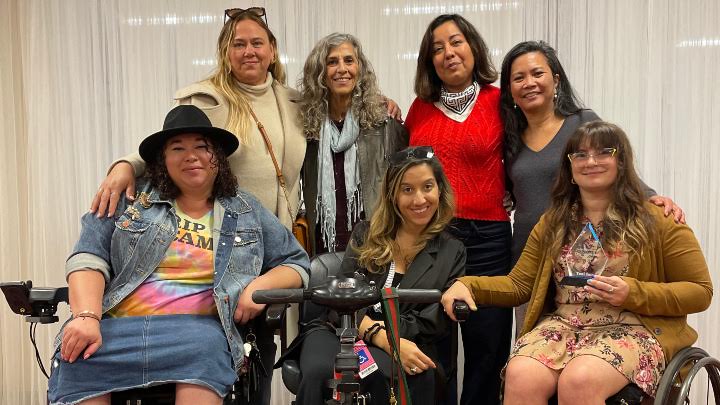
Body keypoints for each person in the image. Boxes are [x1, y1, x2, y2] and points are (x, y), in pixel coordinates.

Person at [48, 105, 309, 405]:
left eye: (202, 147)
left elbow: (297, 263)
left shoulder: (246, 210)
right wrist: (85, 317)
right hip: (117, 330)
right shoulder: (131, 200)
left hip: (196, 335)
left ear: (218, 158)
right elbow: (88, 256)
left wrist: (257, 288)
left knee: (206, 347)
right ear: (163, 160)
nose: (191, 155)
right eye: (178, 148)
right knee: (76, 352)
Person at [441, 121, 713, 404]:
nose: (591, 161)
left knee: (580, 379)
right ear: (569, 169)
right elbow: (518, 284)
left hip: (635, 327)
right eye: (580, 155)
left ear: (621, 162)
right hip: (563, 327)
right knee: (521, 374)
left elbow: (700, 291)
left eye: (603, 152)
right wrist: (466, 284)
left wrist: (632, 293)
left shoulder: (658, 219)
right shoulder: (554, 222)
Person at [499, 40, 686, 334]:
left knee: (585, 338)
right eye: (518, 78)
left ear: (556, 79)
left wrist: (653, 198)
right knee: (533, 346)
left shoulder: (582, 123)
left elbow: (615, 166)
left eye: (537, 74)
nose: (529, 83)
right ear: (509, 89)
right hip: (530, 254)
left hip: (581, 254)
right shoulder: (509, 137)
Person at [288, 146, 465, 404]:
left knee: (382, 376)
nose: (419, 199)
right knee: (319, 373)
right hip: (339, 332)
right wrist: (380, 337)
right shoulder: (365, 234)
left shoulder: (453, 251)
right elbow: (341, 298)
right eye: (407, 189)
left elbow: (432, 322)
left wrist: (390, 340)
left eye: (427, 187)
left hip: (407, 342)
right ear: (393, 195)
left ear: (440, 189)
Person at [404, 14, 509, 404]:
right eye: (437, 48)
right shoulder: (418, 109)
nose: (448, 53)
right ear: (428, 61)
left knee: (487, 349)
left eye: (456, 42)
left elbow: (548, 144)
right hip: (432, 240)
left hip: (489, 241)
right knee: (432, 345)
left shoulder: (501, 102)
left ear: (473, 47)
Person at [299, 33, 409, 255]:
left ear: (359, 68)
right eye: (332, 62)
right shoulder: (306, 127)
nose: (342, 69)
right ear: (320, 73)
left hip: (374, 242)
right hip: (323, 243)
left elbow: (402, 184)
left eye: (349, 60)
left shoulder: (383, 123)